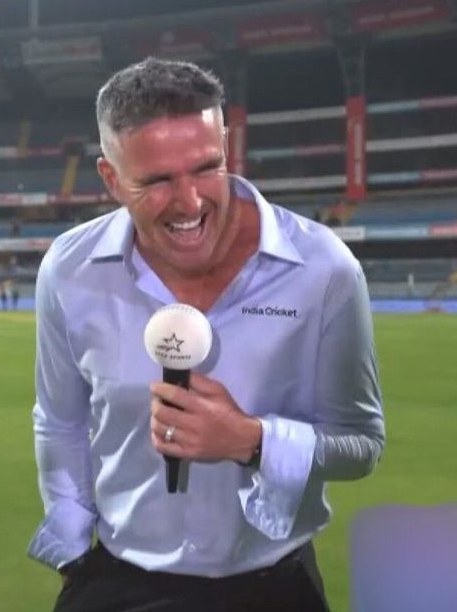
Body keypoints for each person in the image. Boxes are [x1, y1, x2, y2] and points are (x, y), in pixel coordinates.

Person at [28, 58, 384, 612]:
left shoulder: (324, 270)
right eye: (157, 181)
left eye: (206, 167)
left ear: (225, 144)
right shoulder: (69, 269)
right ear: (111, 179)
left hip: (274, 587)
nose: (191, 202)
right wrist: (72, 543)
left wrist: (251, 440)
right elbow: (60, 419)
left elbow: (360, 444)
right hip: (119, 581)